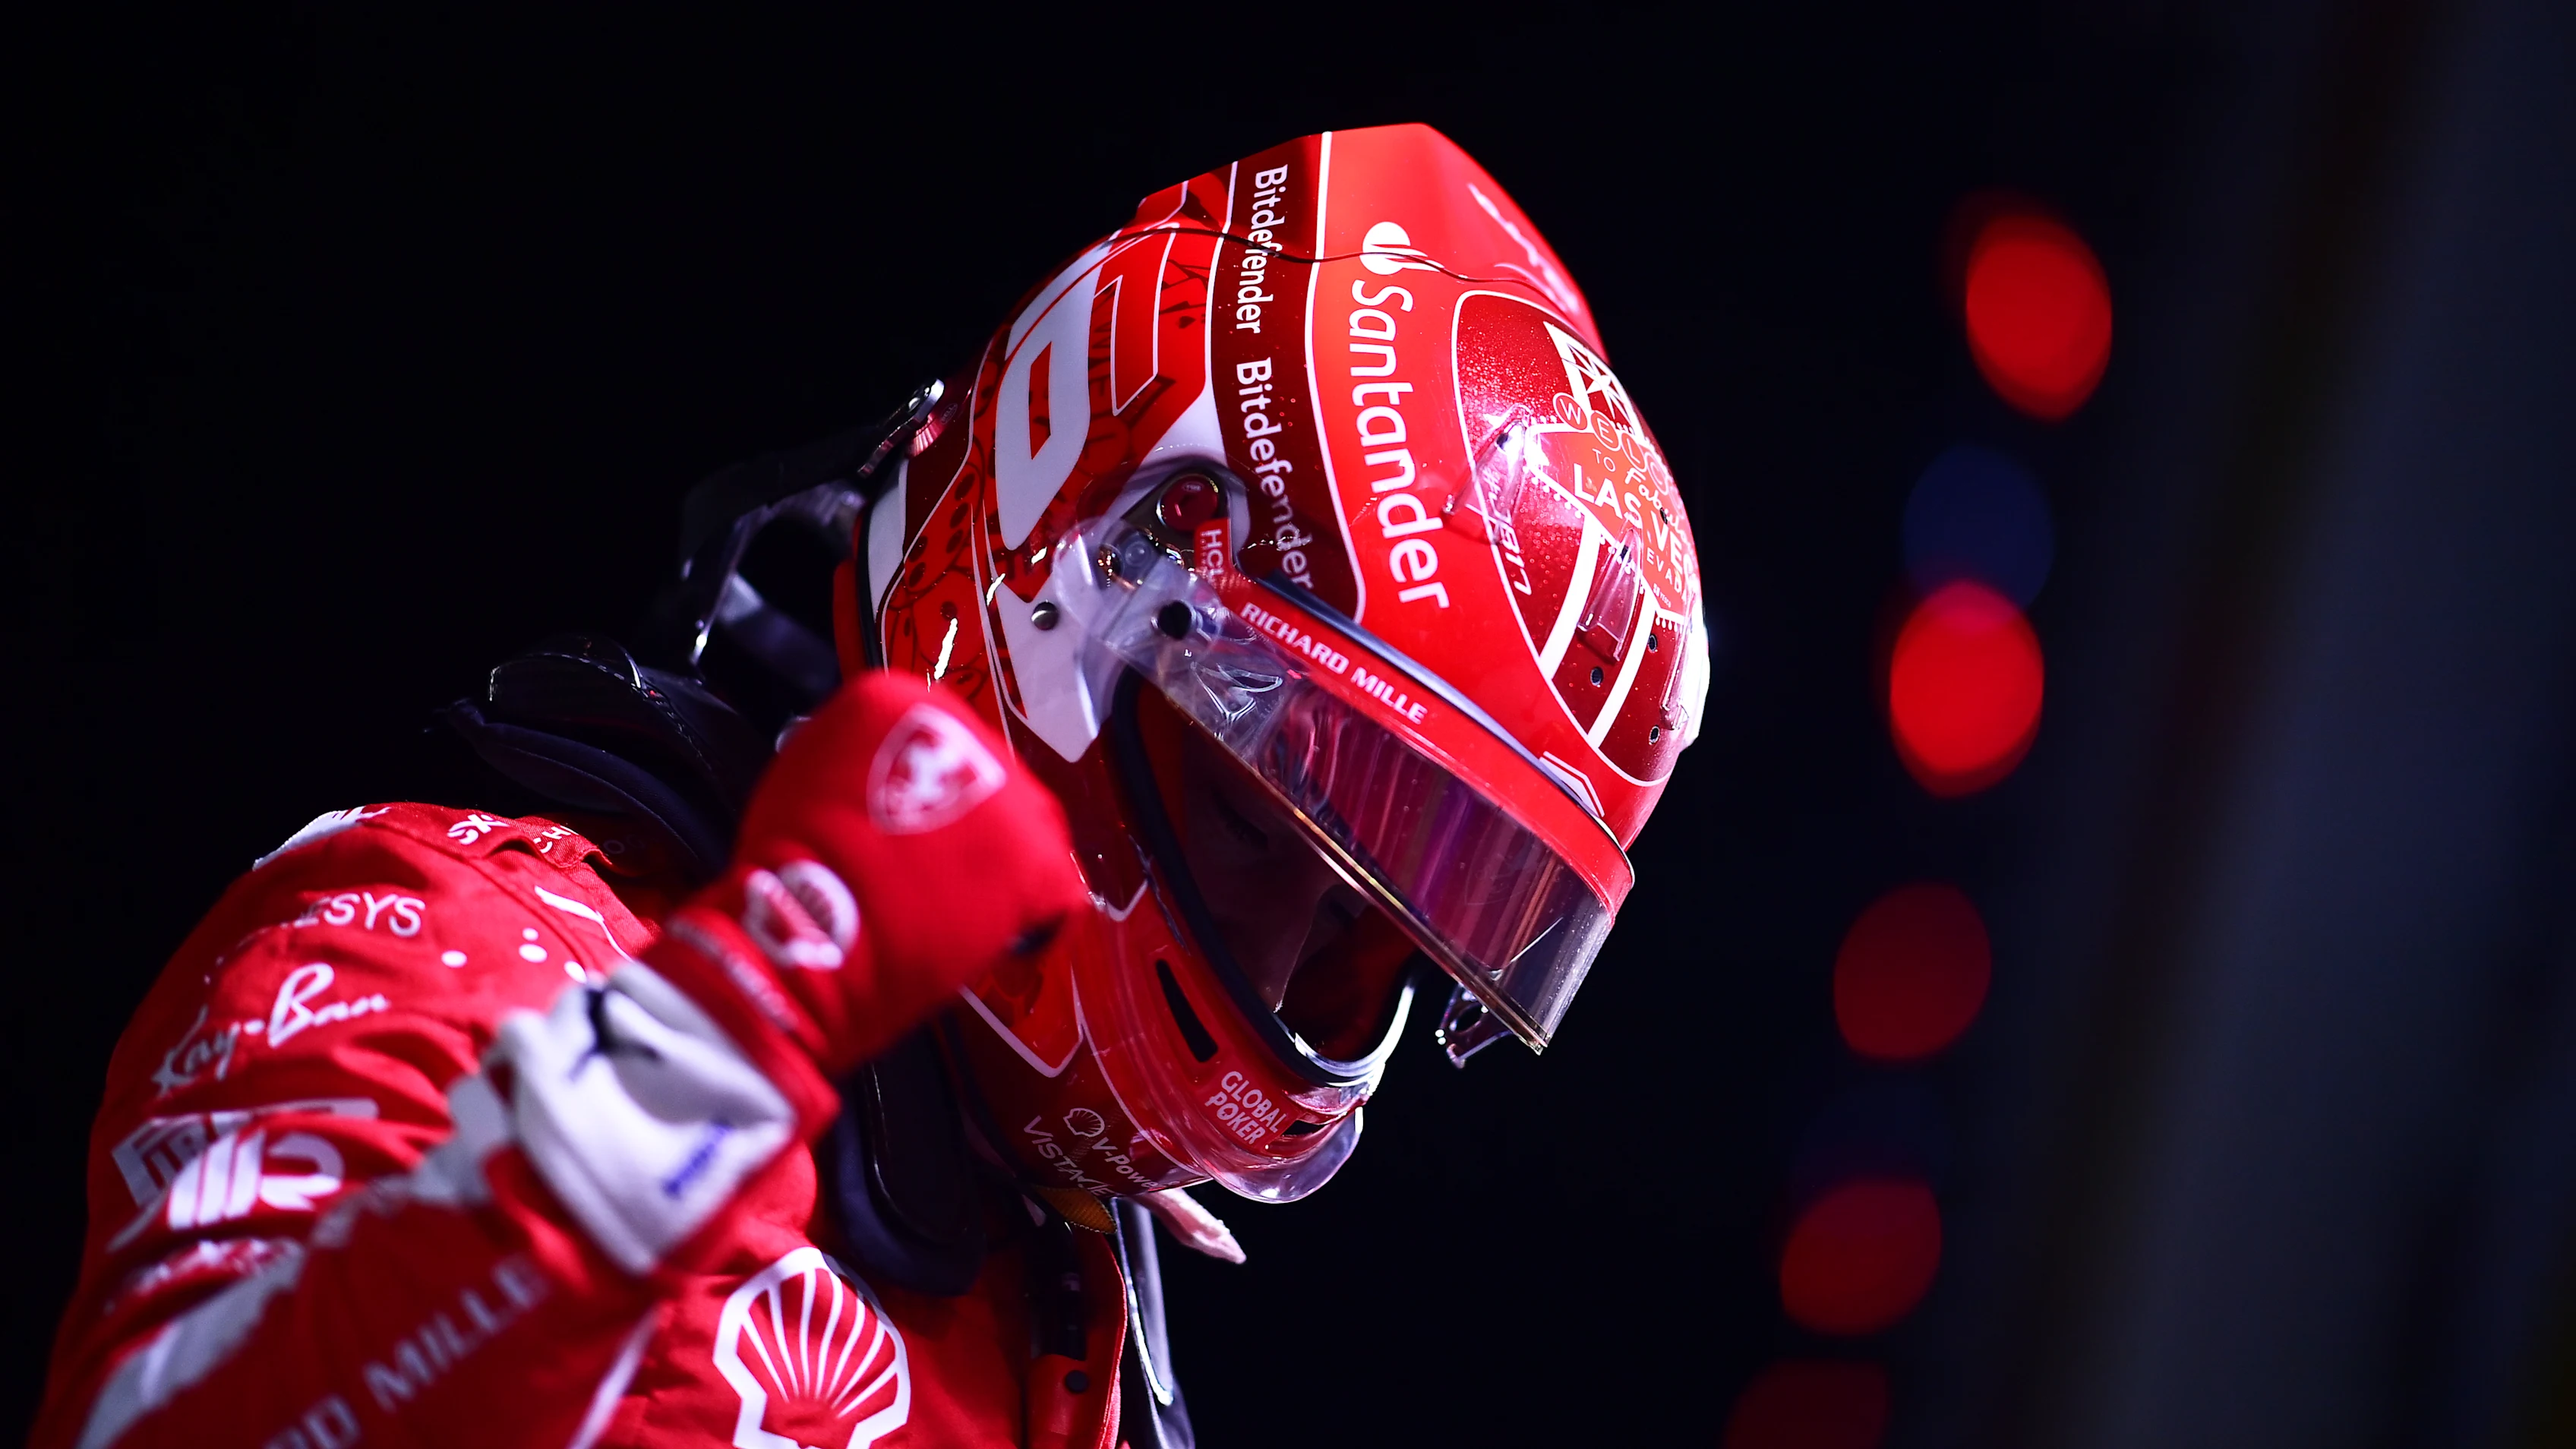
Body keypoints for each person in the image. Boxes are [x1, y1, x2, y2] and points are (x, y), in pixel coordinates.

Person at [33, 123, 1709, 1449]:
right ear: (1072, 583)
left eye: (1390, 943)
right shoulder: (442, 943)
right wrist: (740, 1026)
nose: (1298, 983)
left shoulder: (1058, 1280)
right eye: (1274, 827)